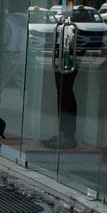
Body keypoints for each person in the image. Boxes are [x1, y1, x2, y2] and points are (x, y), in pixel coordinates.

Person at [45, 10, 79, 149]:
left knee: (65, 93)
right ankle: (63, 133)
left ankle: (68, 135)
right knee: (62, 92)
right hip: (60, 56)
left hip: (69, 56)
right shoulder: (62, 20)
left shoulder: (75, 23)